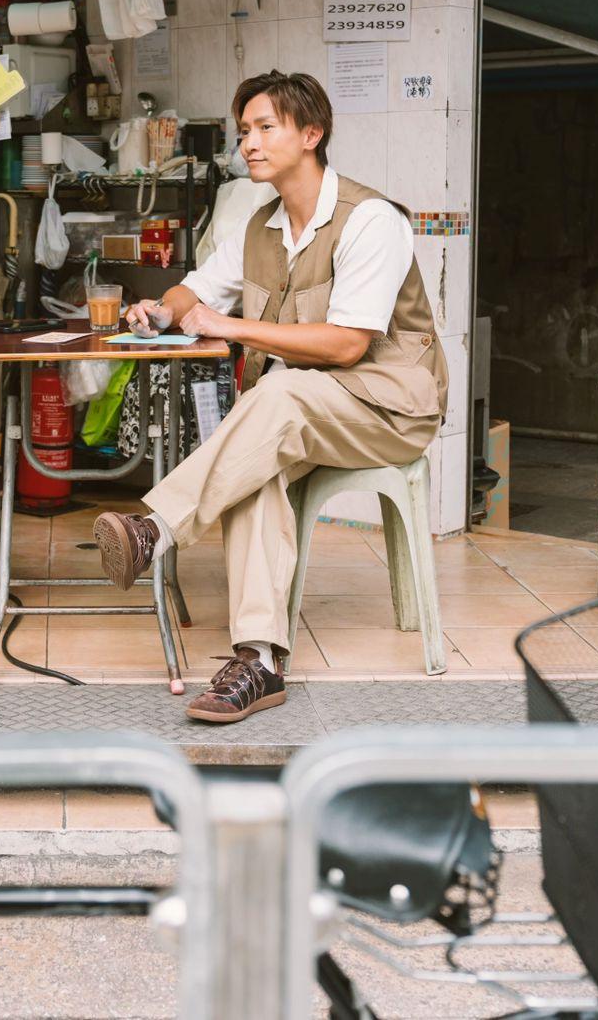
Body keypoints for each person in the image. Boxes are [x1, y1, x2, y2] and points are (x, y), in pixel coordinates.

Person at [92, 70, 447, 723]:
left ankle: (156, 529)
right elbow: (196, 289)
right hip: (304, 412)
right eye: (243, 131)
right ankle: (258, 662)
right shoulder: (261, 226)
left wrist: (229, 327)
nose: (248, 143)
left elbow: (346, 346)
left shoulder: (370, 220)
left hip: (390, 409)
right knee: (257, 466)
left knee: (277, 395)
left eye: (264, 128)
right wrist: (164, 310)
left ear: (311, 134)